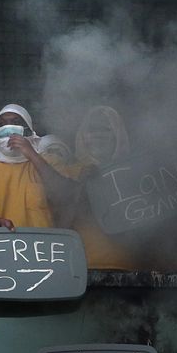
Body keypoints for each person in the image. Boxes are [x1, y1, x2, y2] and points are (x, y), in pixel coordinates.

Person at [0, 104, 73, 230]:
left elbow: (66, 196)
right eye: (2, 124)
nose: (8, 127)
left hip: (42, 245)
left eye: (16, 122)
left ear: (28, 129)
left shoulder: (48, 162)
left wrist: (31, 153)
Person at [67, 106, 136, 270]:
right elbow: (59, 218)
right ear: (83, 136)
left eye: (106, 129)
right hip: (83, 269)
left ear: (117, 134)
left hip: (132, 267)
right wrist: (81, 185)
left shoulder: (136, 170)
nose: (98, 135)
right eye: (92, 130)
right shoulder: (69, 172)